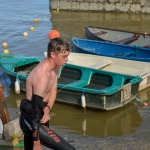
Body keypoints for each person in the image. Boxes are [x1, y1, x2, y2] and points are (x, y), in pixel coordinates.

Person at [19, 37, 75, 150]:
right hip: (32, 121)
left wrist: (48, 108)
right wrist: (37, 143)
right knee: (69, 149)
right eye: (64, 56)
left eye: (67, 56)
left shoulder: (55, 67)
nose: (67, 59)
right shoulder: (41, 77)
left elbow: (53, 91)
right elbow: (35, 110)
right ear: (53, 54)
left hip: (41, 116)